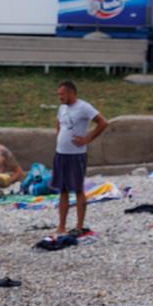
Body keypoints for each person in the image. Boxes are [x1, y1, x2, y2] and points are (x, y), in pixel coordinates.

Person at [52, 81, 108, 235]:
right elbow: (59, 124)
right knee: (63, 190)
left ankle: (79, 225)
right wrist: (59, 138)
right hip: (61, 154)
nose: (60, 97)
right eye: (58, 94)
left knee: (77, 189)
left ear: (71, 93)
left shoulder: (84, 107)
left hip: (76, 156)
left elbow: (103, 122)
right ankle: (61, 225)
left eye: (62, 94)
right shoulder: (62, 108)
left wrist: (87, 139)